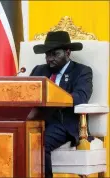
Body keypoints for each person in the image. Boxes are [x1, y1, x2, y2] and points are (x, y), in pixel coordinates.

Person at [29, 31, 93, 178]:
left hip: (64, 122)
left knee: (38, 143)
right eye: (47, 54)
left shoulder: (82, 71)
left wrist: (54, 98)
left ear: (67, 52)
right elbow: (28, 93)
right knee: (15, 137)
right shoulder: (39, 70)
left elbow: (81, 96)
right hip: (38, 120)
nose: (49, 59)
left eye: (54, 54)